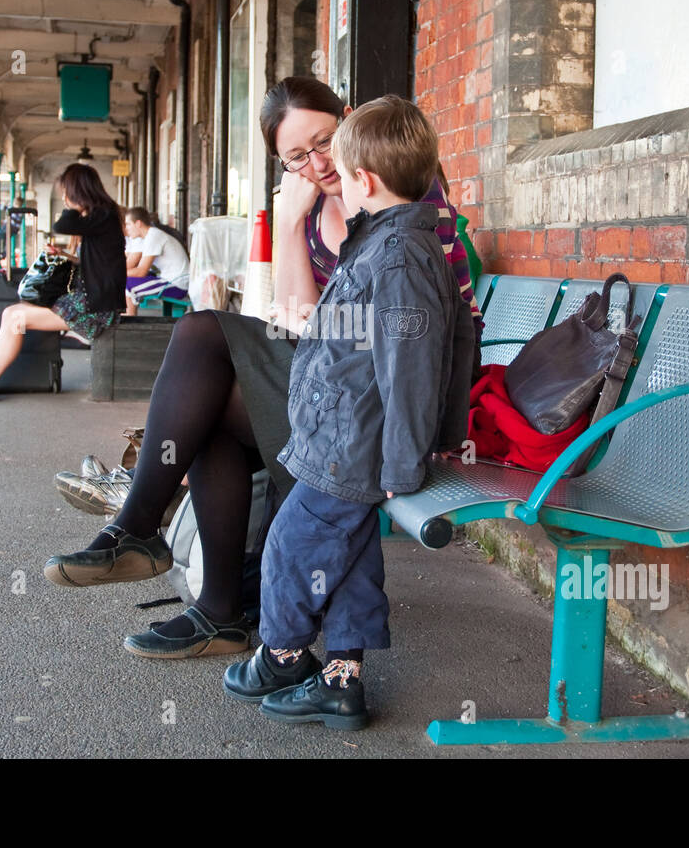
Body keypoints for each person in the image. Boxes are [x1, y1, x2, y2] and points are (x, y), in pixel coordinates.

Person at [42, 76, 483, 661]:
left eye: (324, 142)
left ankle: (165, 553)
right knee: (210, 378)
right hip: (342, 380)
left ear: (349, 123)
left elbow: (311, 326)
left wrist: (286, 231)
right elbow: (299, 326)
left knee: (205, 348)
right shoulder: (319, 202)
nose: (316, 163)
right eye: (295, 156)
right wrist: (291, 222)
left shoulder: (396, 193)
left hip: (381, 396)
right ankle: (199, 589)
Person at [222, 96, 473, 729]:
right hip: (346, 435)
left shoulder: (397, 257)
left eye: (332, 157)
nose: (319, 170)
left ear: (363, 180)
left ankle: (280, 654)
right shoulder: (389, 241)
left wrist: (405, 459)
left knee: (291, 545)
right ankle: (340, 682)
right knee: (353, 553)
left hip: (354, 443)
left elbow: (412, 365)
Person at [0, 163, 125, 402]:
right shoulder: (103, 216)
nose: (63, 197)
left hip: (95, 309)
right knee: (12, 314)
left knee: (15, 317)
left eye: (66, 192)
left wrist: (73, 204)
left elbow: (62, 225)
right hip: (89, 301)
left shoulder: (102, 214)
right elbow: (97, 262)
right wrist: (63, 255)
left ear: (77, 191)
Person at [122, 206, 190, 316]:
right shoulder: (150, 236)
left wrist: (117, 274)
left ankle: (129, 318)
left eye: (128, 224)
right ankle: (127, 315)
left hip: (177, 284)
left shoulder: (153, 236)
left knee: (127, 283)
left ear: (138, 224)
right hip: (170, 279)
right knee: (128, 278)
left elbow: (141, 271)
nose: (127, 228)